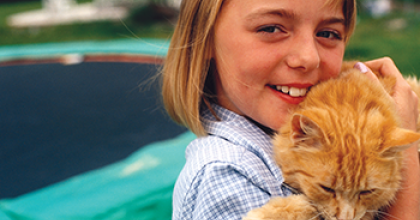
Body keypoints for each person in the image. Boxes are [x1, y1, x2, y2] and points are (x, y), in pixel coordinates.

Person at [161, 0, 420, 219]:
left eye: (328, 33)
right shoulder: (228, 177)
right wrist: (407, 157)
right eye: (271, 28)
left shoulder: (295, 126)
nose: (309, 58)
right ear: (203, 38)